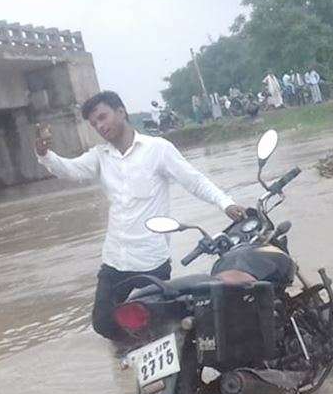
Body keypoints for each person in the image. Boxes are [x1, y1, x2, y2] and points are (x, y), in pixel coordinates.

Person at [34, 91, 245, 349]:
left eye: (103, 117)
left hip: (151, 262)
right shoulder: (101, 156)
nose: (100, 126)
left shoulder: (157, 149)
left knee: (158, 327)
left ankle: (168, 359)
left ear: (121, 112)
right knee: (103, 324)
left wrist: (226, 203)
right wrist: (45, 155)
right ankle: (135, 354)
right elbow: (70, 170)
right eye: (94, 124)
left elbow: (194, 181)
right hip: (114, 260)